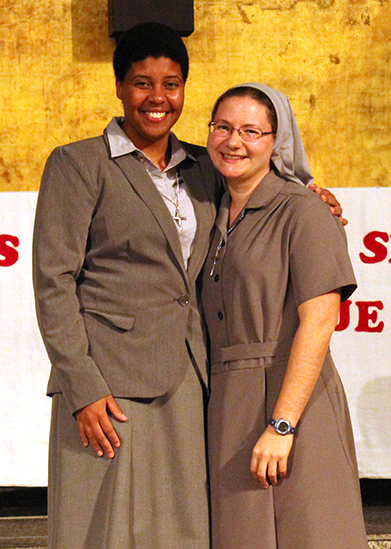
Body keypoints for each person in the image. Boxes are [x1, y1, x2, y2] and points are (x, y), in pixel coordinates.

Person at [33, 22, 345, 548]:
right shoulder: (77, 164)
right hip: (108, 383)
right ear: (118, 86)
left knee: (181, 530)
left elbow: (262, 175)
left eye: (171, 83)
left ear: (184, 88)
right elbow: (53, 282)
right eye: (142, 83)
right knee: (104, 530)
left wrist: (313, 192)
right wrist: (82, 387)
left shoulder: (204, 165)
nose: (158, 98)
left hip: (193, 379)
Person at [201, 83, 368, 548]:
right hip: (228, 406)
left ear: (277, 141)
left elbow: (319, 321)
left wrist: (282, 425)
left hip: (294, 403)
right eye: (223, 127)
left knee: (309, 533)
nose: (234, 142)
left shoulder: (303, 210)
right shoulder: (208, 210)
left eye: (252, 131)